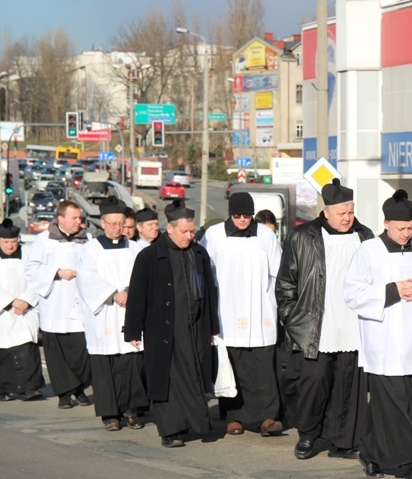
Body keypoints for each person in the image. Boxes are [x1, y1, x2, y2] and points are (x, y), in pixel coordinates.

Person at [344, 189, 412, 479]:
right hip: (383, 340)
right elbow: (352, 293)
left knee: (405, 399)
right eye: (401, 228)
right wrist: (392, 290)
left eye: (411, 228)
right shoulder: (368, 251)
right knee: (397, 402)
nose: (406, 234)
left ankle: (371, 451)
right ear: (387, 223)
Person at [276, 178, 373, 461]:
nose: (347, 218)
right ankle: (308, 434)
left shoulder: (365, 236)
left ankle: (343, 441)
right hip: (314, 327)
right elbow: (285, 284)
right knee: (313, 384)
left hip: (355, 326)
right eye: (341, 213)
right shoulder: (302, 236)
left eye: (351, 212)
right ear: (326, 212)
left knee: (349, 386)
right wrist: (292, 319)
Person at [124, 199, 219, 448]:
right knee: (167, 380)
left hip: (195, 326)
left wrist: (212, 327)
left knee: (193, 375)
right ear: (171, 229)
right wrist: (133, 330)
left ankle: (193, 423)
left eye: (193, 231)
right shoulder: (149, 256)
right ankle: (170, 431)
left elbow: (209, 291)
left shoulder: (198, 253)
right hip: (163, 328)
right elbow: (137, 295)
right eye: (185, 232)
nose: (190, 236)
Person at [201, 192, 283, 437]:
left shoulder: (266, 235)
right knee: (233, 365)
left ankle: (267, 417)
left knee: (262, 366)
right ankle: (233, 417)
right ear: (229, 214)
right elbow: (206, 274)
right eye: (237, 215)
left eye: (246, 215)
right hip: (228, 310)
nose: (242, 220)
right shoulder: (214, 235)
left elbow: (278, 272)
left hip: (261, 310)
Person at [76, 197, 147, 431]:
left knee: (131, 364)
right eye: (113, 223)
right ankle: (110, 415)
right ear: (103, 223)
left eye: (121, 223)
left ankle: (132, 411)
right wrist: (112, 293)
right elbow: (86, 278)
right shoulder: (90, 249)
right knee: (105, 365)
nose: (118, 228)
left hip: (130, 313)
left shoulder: (136, 248)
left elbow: (145, 275)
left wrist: (129, 291)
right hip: (104, 315)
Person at [26, 200, 92, 409]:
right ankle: (64, 394)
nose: (78, 222)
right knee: (58, 355)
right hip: (55, 304)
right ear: (61, 219)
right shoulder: (44, 240)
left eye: (79, 218)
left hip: (78, 304)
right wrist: (57, 273)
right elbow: (31, 269)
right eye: (74, 218)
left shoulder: (86, 239)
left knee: (81, 352)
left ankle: (80, 388)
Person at [0, 219, 44, 402]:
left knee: (27, 351)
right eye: (6, 242)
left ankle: (30, 388)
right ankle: (4, 389)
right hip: (1, 312)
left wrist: (25, 300)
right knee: (2, 353)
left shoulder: (29, 253)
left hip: (25, 309)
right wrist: (11, 302)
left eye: (13, 242)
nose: (10, 246)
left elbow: (36, 278)